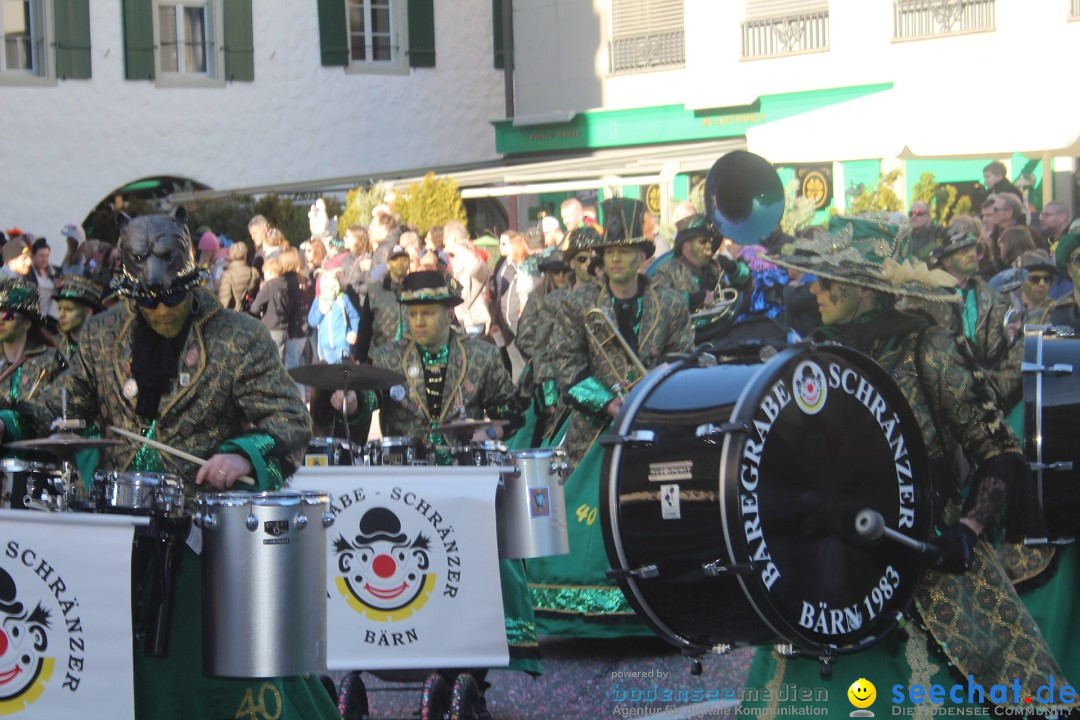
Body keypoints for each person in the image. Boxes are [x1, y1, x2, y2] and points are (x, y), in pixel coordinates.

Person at [0, 208, 328, 720]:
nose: (161, 311)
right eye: (147, 301)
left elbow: (290, 421)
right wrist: (8, 425)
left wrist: (240, 454)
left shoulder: (237, 336)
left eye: (172, 297)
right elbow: (61, 411)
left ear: (192, 281)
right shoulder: (102, 335)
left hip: (204, 535)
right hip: (114, 535)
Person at [741, 219, 1075, 716]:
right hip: (831, 568)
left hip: (927, 552)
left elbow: (999, 452)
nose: (816, 290)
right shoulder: (812, 356)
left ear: (862, 288)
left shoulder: (929, 350)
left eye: (828, 281)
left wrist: (967, 528)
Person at [369, 270, 537, 697]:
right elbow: (361, 408)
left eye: (428, 313)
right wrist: (345, 401)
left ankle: (473, 674)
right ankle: (425, 662)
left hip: (466, 483)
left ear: (449, 312)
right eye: (412, 314)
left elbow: (512, 408)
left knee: (475, 573)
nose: (419, 322)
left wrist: (492, 432)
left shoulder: (479, 355)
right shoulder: (386, 356)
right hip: (408, 485)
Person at [531, 199, 693, 637]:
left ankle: (661, 610)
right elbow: (566, 367)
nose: (616, 258)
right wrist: (611, 405)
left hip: (655, 426)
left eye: (626, 250)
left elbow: (684, 360)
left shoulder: (673, 302)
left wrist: (653, 395)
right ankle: (581, 614)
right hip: (594, 427)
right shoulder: (576, 302)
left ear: (643, 255)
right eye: (609, 251)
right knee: (583, 525)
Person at [651, 213, 750, 344]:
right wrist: (691, 299)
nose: (709, 246)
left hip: (722, 336)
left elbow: (747, 285)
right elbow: (656, 302)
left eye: (710, 241)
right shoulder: (668, 269)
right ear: (686, 246)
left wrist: (733, 268)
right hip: (686, 343)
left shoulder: (715, 267)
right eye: (703, 241)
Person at [0, 278, 63, 415]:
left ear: (27, 324)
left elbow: (58, 410)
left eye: (8, 316)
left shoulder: (51, 360)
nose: (1, 321)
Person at [357, 244, 410, 361]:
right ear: (388, 265)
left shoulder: (416, 288)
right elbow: (365, 324)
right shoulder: (375, 290)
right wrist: (360, 356)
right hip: (381, 355)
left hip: (410, 355)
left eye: (404, 260)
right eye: (395, 260)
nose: (400, 264)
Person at [55, 274, 103, 364]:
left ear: (88, 312)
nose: (61, 315)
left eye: (68, 309)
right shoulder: (54, 346)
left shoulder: (101, 348)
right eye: (59, 309)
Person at [217, 241, 260, 311]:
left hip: (233, 315)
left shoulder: (227, 275)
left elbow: (224, 301)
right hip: (249, 313)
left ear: (231, 255)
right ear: (246, 255)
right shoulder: (254, 272)